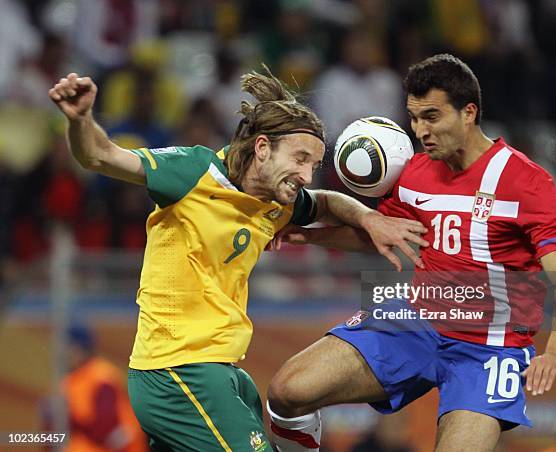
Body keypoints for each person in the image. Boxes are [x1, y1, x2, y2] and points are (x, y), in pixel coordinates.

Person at [48, 68, 427, 451]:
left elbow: (329, 204)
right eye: (299, 158)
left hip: (222, 370)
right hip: (177, 371)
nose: (306, 174)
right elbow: (100, 156)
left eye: (313, 165)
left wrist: (368, 218)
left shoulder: (276, 199)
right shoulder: (194, 173)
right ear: (262, 148)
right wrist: (80, 119)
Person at [266, 54, 556, 452]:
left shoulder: (526, 182)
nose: (420, 131)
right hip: (416, 322)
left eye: (432, 117)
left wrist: (555, 354)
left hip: (490, 349)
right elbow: (385, 236)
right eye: (414, 118)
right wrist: (310, 238)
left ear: (468, 112)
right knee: (287, 390)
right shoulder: (416, 172)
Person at [62, 325, 148, 452]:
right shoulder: (71, 379)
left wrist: (73, 419)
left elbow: (106, 430)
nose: (63, 354)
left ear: (80, 349)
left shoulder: (101, 377)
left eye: (68, 348)